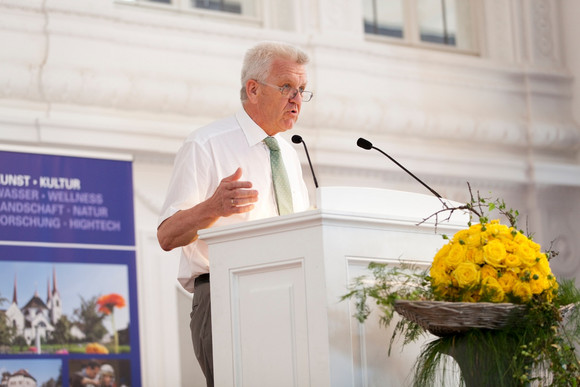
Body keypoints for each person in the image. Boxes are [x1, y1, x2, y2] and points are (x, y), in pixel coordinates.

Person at [157, 41, 313, 387]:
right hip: (226, 296)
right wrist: (212, 208)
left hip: (289, 298)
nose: (297, 100)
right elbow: (167, 236)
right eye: (287, 87)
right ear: (253, 90)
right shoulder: (206, 145)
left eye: (302, 91)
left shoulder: (289, 154)